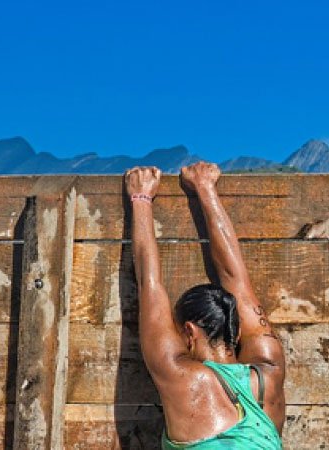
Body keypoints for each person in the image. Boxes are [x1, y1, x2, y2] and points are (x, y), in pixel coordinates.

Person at [125, 162, 286, 449]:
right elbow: (238, 282)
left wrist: (141, 199)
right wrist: (205, 188)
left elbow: (149, 285)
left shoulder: (181, 376)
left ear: (189, 331)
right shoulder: (269, 371)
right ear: (237, 334)